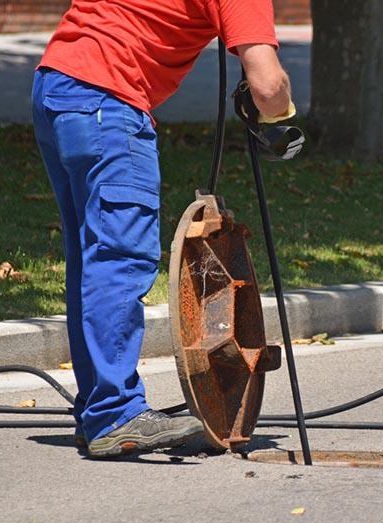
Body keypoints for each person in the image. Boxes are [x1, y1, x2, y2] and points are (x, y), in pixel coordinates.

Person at [31, 0, 297, 458]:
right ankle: (114, 414)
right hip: (107, 100)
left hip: (57, 85)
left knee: (92, 257)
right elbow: (267, 84)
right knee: (120, 257)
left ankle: (96, 410)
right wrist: (282, 118)